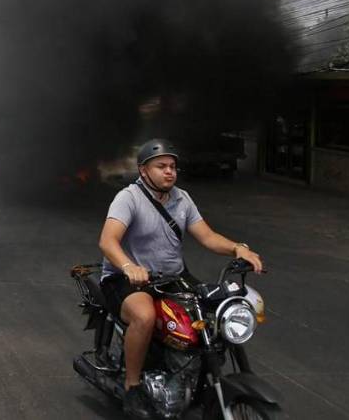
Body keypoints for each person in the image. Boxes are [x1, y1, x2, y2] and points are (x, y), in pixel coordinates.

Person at [97, 139, 264, 418]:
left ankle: (192, 373)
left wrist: (238, 248)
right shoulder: (129, 198)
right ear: (143, 170)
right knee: (145, 316)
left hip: (172, 276)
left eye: (172, 166)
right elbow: (108, 241)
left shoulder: (181, 198)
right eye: (161, 166)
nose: (169, 172)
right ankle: (132, 386)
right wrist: (128, 266)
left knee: (213, 312)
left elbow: (207, 236)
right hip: (127, 278)